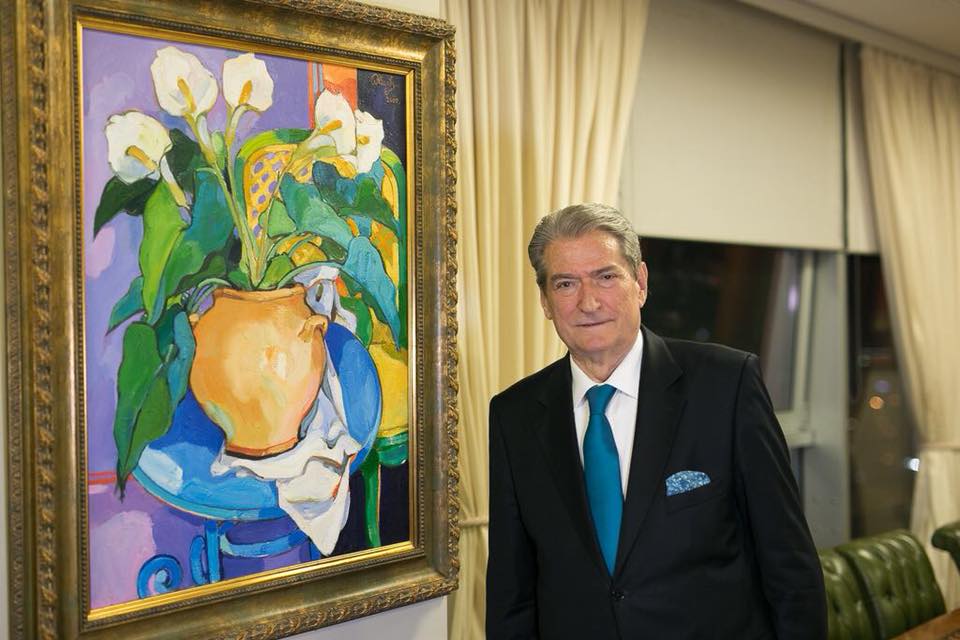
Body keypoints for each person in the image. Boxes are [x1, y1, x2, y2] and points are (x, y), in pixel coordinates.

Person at [486, 203, 826, 639]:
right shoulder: (514, 415)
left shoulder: (726, 385)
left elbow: (789, 563)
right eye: (566, 283)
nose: (588, 302)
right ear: (545, 301)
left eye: (606, 277)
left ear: (641, 283)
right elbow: (511, 592)